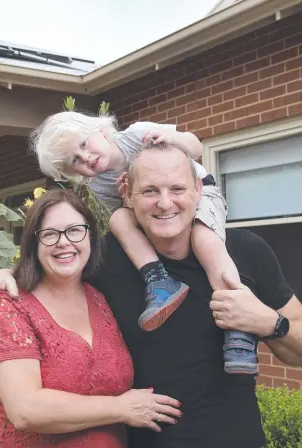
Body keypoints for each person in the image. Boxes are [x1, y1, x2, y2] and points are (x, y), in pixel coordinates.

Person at [0, 143, 302, 448]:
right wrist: (5, 276)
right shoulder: (106, 259)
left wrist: (270, 323)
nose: (164, 202)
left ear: (198, 191)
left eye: (177, 189)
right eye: (149, 191)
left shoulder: (246, 253)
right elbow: (56, 265)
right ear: (128, 195)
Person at [30, 111, 255, 376]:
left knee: (205, 240)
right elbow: (132, 214)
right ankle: (159, 280)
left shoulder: (137, 135)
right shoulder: (99, 185)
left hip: (198, 193)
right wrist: (129, 195)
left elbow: (195, 145)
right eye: (75, 161)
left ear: (100, 131)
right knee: (118, 220)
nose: (86, 158)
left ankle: (238, 322)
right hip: (156, 211)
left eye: (83, 145)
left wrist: (172, 138)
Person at [0, 188, 182, 448]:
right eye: (50, 234)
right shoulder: (10, 302)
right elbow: (25, 409)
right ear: (33, 243)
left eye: (75, 230)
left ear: (90, 237)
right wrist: (121, 408)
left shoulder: (101, 296)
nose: (64, 242)